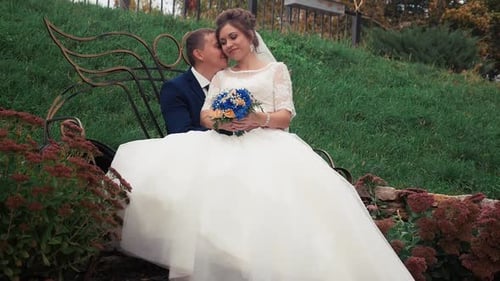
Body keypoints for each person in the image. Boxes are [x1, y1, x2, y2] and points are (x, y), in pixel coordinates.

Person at [112, 8, 415, 281]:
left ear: (249, 34)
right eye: (223, 41)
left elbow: (285, 116)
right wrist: (222, 120)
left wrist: (260, 118)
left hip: (271, 144)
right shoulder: (223, 77)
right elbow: (205, 114)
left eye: (233, 37)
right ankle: (226, 262)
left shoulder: (276, 70)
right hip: (225, 142)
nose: (229, 45)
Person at [160, 28, 228, 134]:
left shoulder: (231, 84)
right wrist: (229, 130)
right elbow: (181, 132)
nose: (226, 49)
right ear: (199, 54)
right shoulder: (175, 89)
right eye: (218, 46)